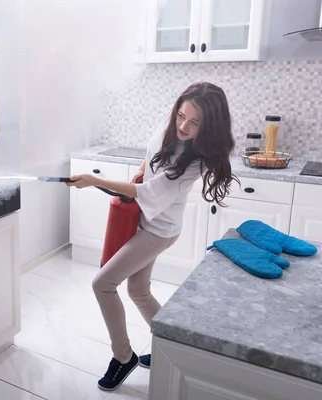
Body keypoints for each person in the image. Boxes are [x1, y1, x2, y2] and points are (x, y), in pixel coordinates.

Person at [67, 82, 237, 391]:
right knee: (139, 291)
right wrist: (144, 167)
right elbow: (153, 150)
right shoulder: (173, 122)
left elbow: (149, 193)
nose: (183, 126)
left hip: (159, 231)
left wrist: (94, 180)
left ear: (208, 125)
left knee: (103, 284)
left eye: (194, 122)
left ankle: (123, 357)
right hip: (146, 221)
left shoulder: (195, 162)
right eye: (181, 116)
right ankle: (172, 348)